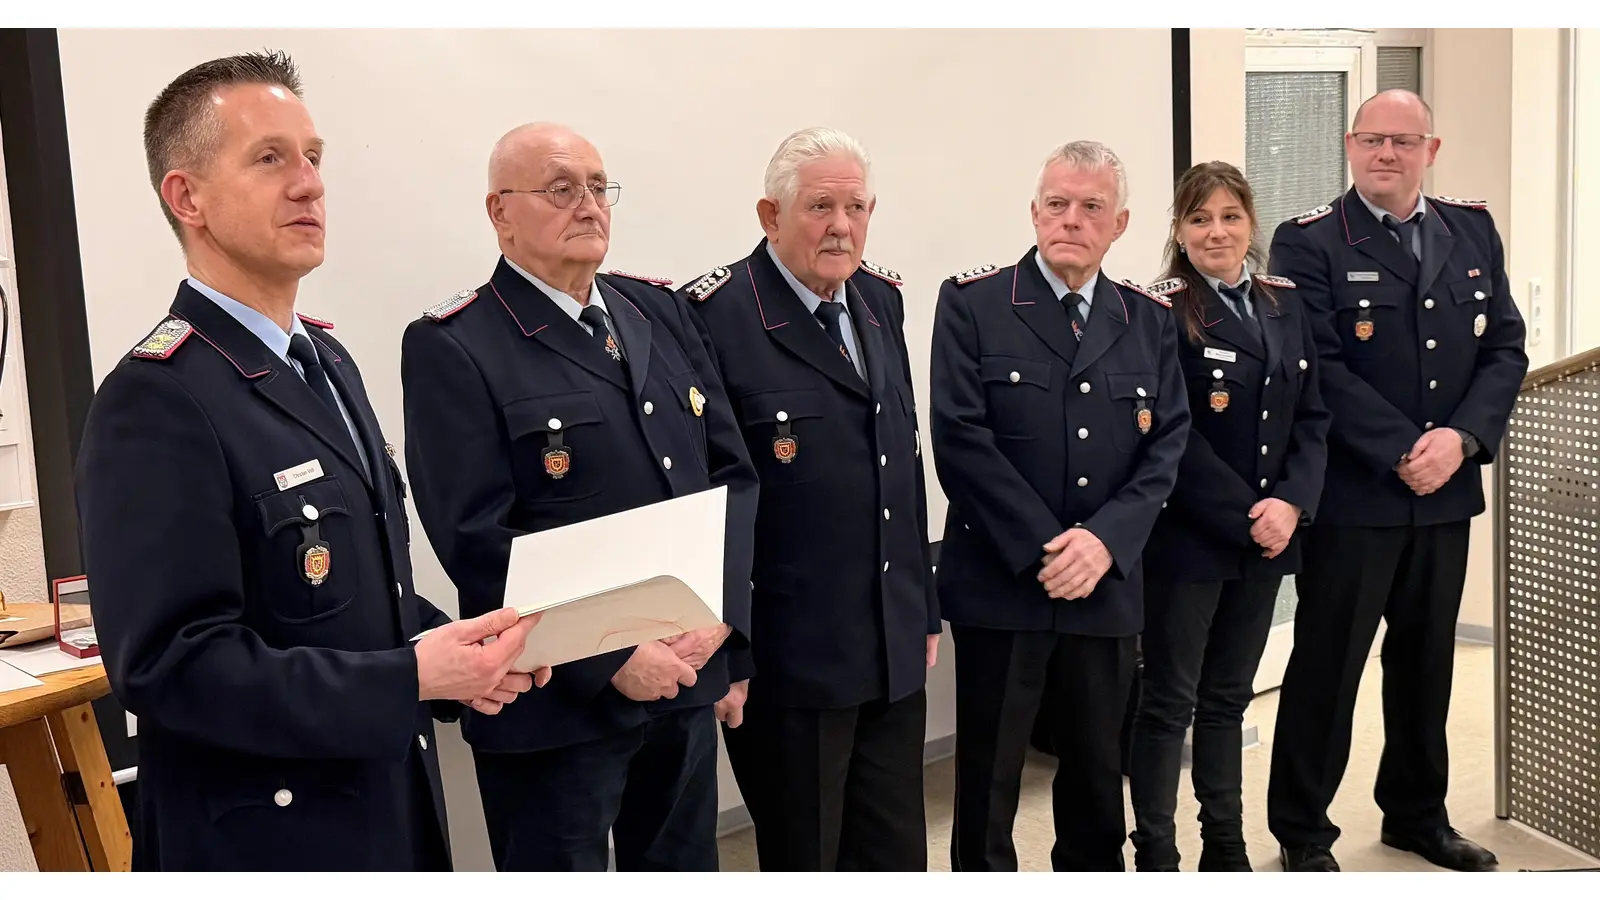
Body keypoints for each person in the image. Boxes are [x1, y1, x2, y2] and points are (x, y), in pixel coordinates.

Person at [74, 50, 544, 873]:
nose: (310, 184)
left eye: (314, 157)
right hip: (271, 842)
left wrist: (454, 650)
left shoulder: (325, 360)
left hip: (385, 808)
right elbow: (170, 666)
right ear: (187, 197)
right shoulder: (157, 399)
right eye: (269, 159)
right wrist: (407, 678)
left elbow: (349, 600)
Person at [399, 122, 759, 872]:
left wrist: (720, 622)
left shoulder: (657, 311)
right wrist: (614, 653)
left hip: (683, 681)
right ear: (500, 212)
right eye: (562, 188)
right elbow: (477, 539)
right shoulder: (456, 343)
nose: (589, 205)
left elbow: (731, 477)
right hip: (558, 704)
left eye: (599, 187)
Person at [1264, 89, 1529, 873]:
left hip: (1445, 493)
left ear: (1431, 150)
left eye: (1403, 141)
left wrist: (1463, 439)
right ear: (1349, 146)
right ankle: (1303, 831)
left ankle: (1417, 814)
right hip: (1355, 496)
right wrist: (1405, 447)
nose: (1387, 153)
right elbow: (1318, 366)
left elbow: (1504, 347)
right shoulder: (1307, 241)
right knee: (1327, 667)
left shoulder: (1471, 228)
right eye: (1373, 139)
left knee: (1426, 666)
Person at [677, 127, 939, 871]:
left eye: (857, 207)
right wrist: (727, 646)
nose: (842, 226)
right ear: (770, 215)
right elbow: (710, 497)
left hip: (889, 647)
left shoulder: (879, 299)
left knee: (894, 857)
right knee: (807, 859)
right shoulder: (715, 315)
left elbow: (902, 464)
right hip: (788, 663)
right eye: (820, 206)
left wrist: (922, 607)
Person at [929, 140, 1190, 872]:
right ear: (1034, 211)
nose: (1070, 220)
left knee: (1097, 780)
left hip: (1104, 589)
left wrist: (1103, 544)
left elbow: (1167, 444)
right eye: (1056, 204)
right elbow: (960, 439)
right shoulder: (974, 304)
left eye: (1091, 208)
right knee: (988, 783)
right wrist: (1052, 548)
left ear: (1121, 223)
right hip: (1003, 585)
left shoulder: (1147, 318)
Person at [1125, 161, 1331, 872]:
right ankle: (1154, 850)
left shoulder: (1282, 302)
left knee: (1228, 701)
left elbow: (1312, 415)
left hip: (1268, 540)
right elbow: (1168, 435)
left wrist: (1292, 504)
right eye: (1200, 218)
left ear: (1251, 224)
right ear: (1180, 231)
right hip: (1189, 541)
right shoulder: (1160, 309)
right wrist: (1251, 511)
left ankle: (1225, 844)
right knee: (1167, 703)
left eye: (1230, 216)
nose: (1217, 231)